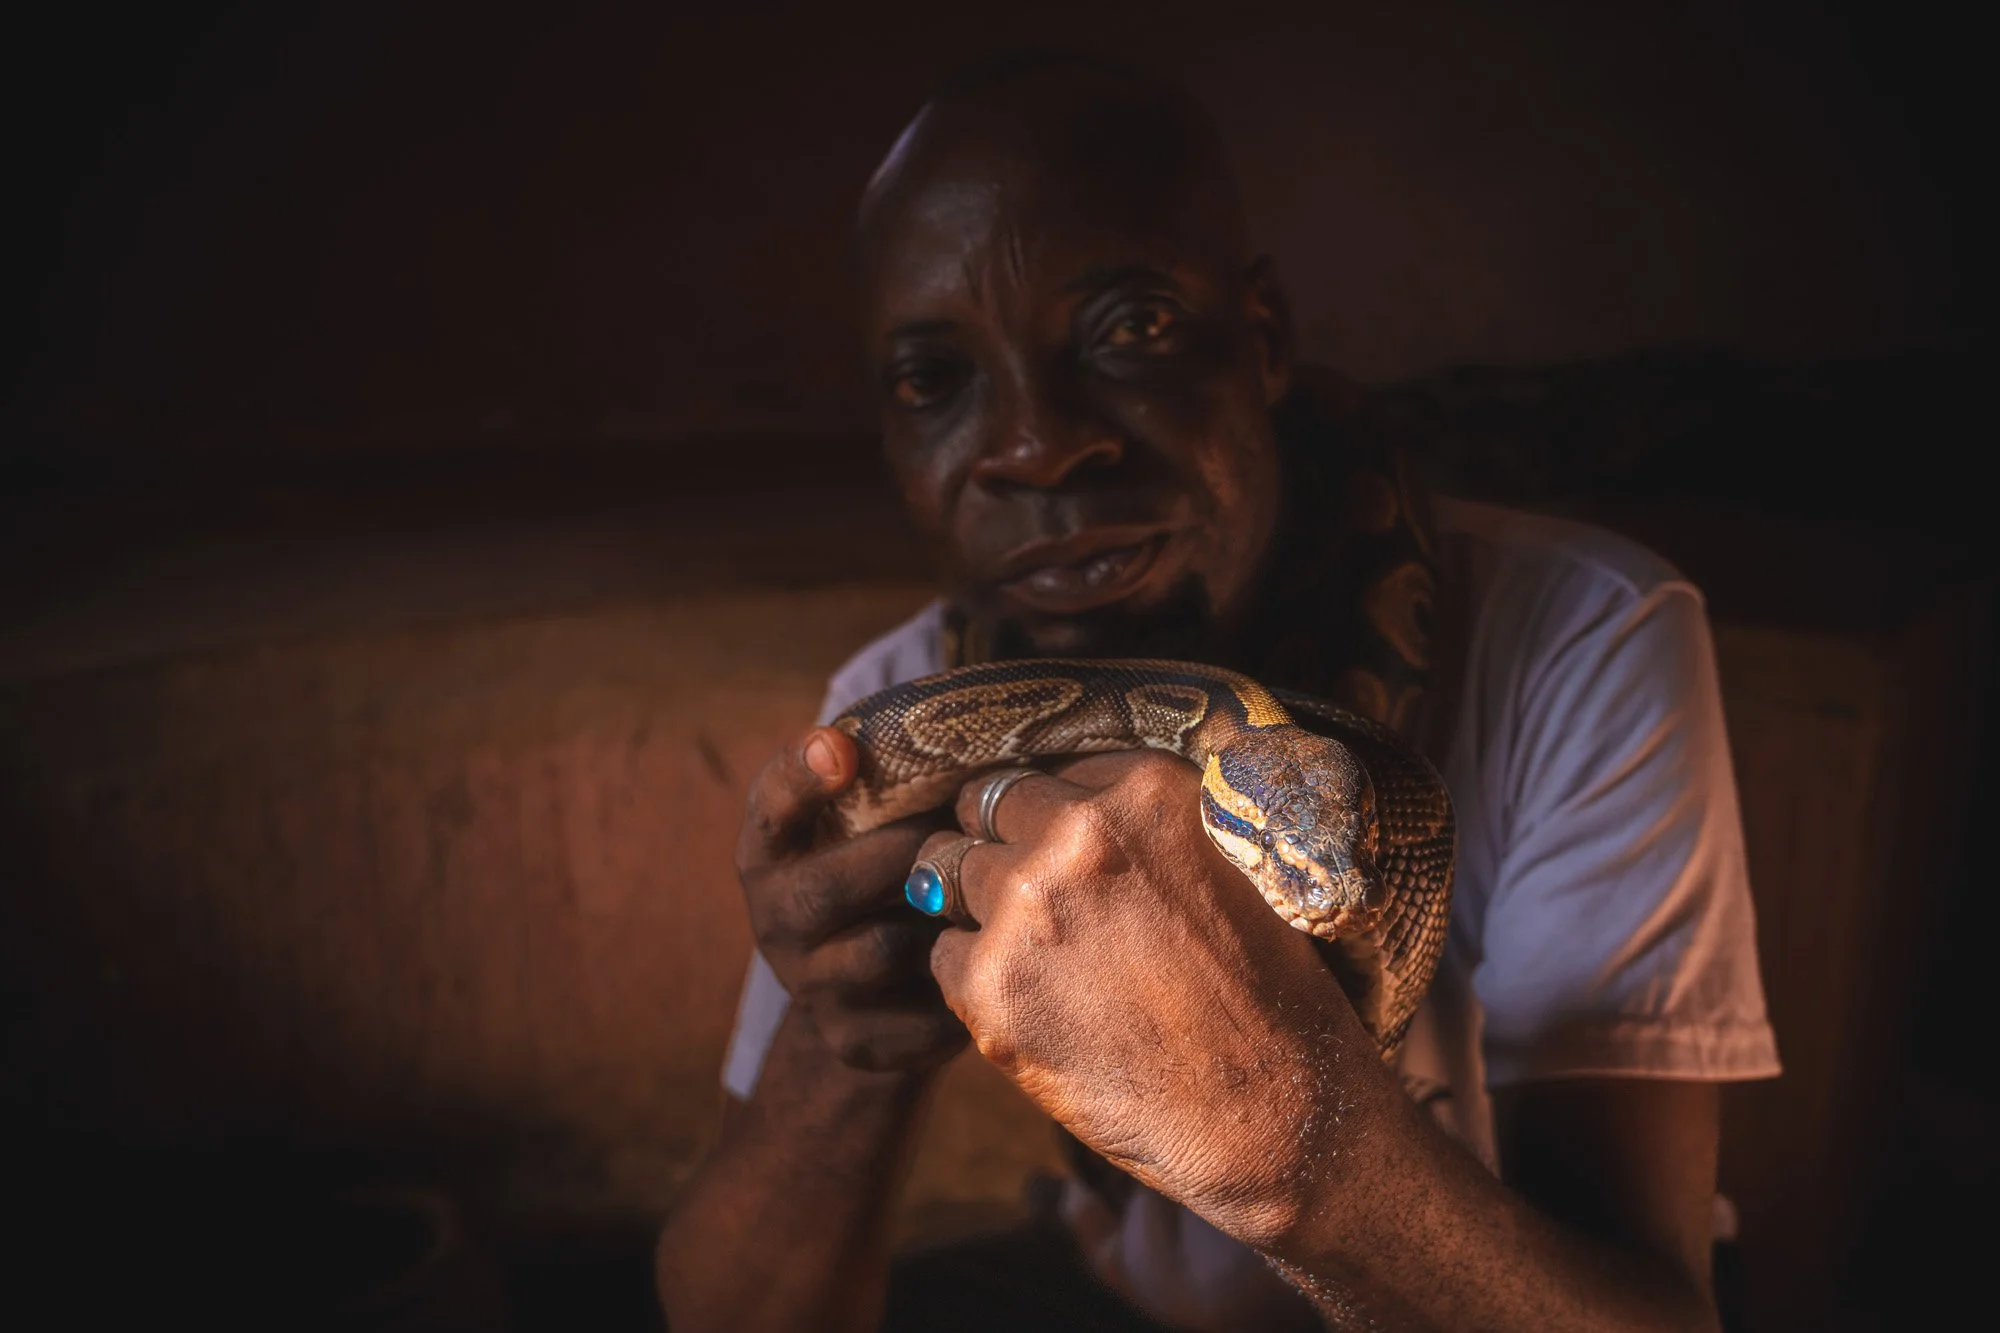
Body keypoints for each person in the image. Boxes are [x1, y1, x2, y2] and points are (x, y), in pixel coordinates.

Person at [656, 51, 1779, 1333]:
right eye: (934, 378)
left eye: (1126, 326)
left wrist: (1289, 1144)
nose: (1036, 444)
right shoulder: (896, 710)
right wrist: (843, 1035)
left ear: (1260, 342)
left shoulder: (1576, 639)